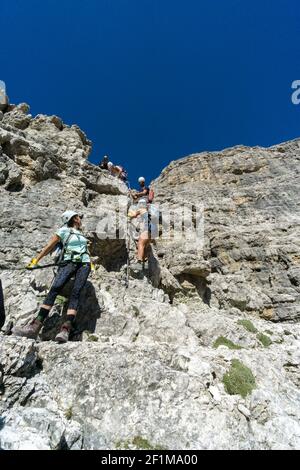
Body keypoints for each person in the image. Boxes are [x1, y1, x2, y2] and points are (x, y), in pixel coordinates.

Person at [12, 210, 92, 343]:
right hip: (69, 262)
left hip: (85, 265)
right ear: (73, 219)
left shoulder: (81, 234)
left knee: (76, 293)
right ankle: (35, 326)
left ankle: (65, 330)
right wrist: (36, 260)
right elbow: (49, 246)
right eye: (78, 217)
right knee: (55, 288)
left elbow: (85, 251)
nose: (80, 219)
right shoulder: (63, 231)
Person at [128, 199, 159, 269]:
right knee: (145, 246)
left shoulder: (141, 210)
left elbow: (133, 215)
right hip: (153, 232)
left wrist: (128, 215)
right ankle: (144, 264)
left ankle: (139, 263)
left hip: (147, 230)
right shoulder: (149, 212)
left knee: (140, 244)